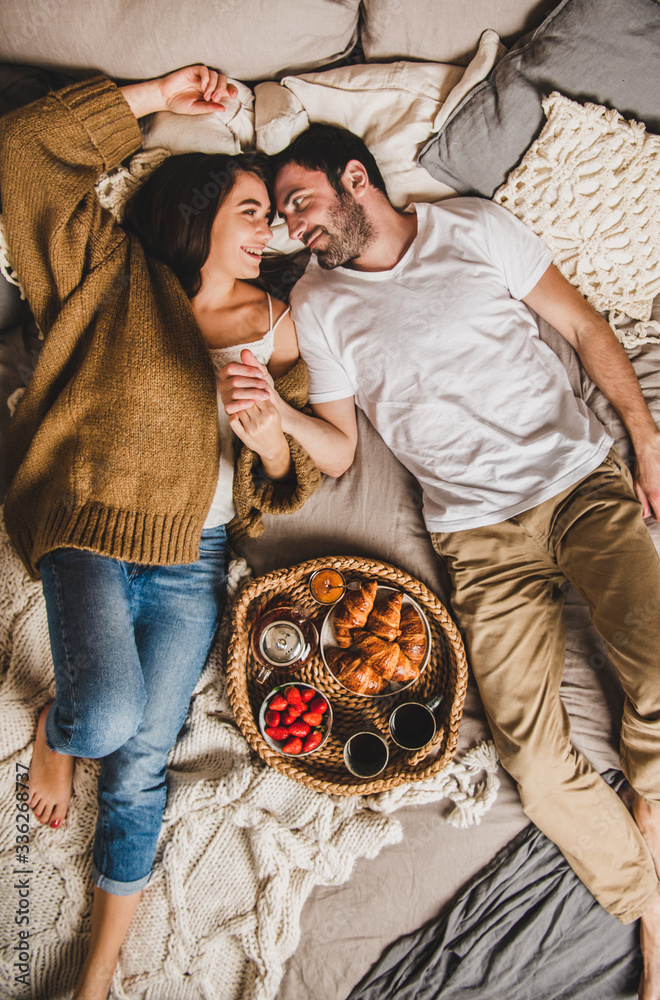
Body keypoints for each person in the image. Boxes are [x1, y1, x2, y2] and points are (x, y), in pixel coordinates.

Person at [217, 123, 660, 998]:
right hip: (478, 540)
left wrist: (645, 438)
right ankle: (645, 898)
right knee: (533, 764)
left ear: (355, 178)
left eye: (301, 205)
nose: (293, 229)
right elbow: (338, 450)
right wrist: (275, 417)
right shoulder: (317, 304)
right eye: (283, 219)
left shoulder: (473, 227)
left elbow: (582, 323)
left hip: (578, 485)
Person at [0, 67, 320, 1000]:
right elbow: (20, 153)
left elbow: (288, 469)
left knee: (144, 764)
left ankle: (96, 978)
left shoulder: (276, 323)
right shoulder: (109, 273)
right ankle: (60, 735)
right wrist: (157, 95)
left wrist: (267, 439)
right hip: (93, 527)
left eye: (272, 217)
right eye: (254, 208)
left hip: (197, 564)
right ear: (202, 209)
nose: (272, 230)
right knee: (101, 718)